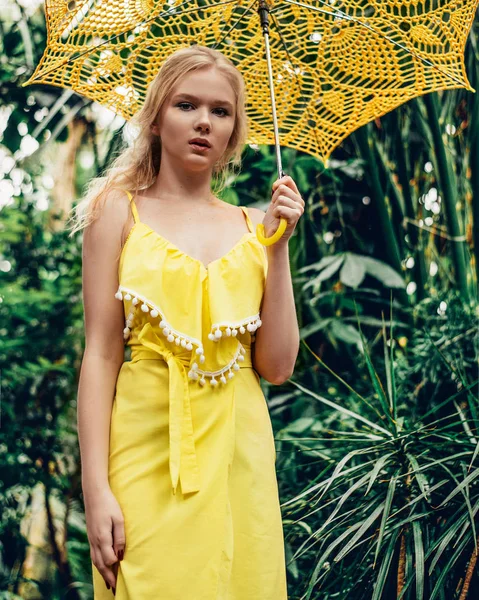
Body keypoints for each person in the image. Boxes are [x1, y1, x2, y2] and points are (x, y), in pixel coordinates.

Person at [70, 44, 304, 599]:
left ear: (234, 132)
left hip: (239, 455)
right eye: (186, 105)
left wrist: (277, 249)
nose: (204, 121)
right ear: (156, 118)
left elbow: (276, 366)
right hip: (146, 448)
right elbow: (101, 354)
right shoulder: (116, 213)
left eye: (220, 111)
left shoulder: (257, 225)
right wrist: (95, 488)